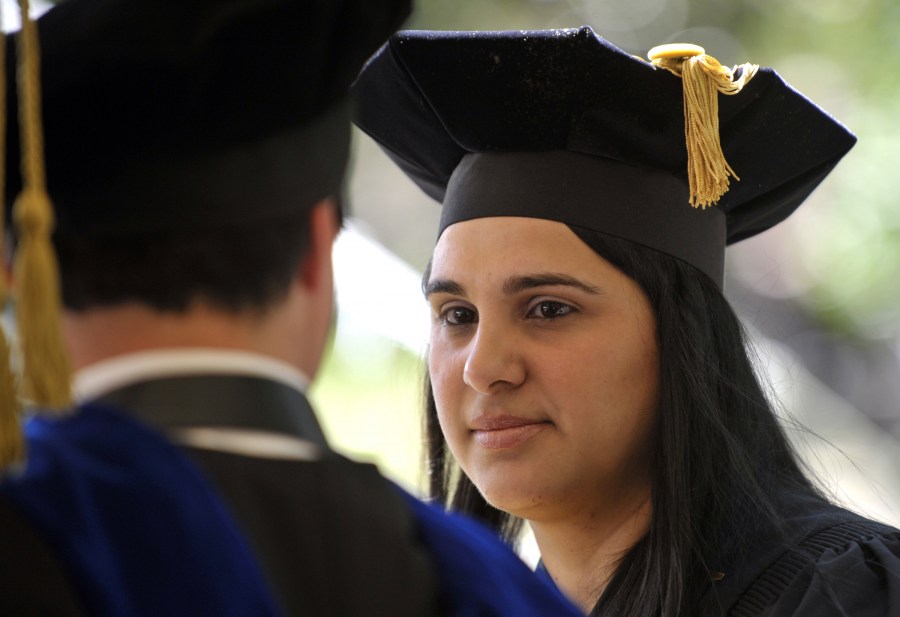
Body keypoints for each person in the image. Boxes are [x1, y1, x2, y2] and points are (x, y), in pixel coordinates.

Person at [0, 2, 584, 616]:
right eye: (456, 313)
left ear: (18, 268)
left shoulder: (30, 526)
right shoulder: (497, 591)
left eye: (548, 309)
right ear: (318, 246)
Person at [352, 27, 900, 617]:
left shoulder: (838, 596)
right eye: (456, 315)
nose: (485, 369)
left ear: (683, 336)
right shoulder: (473, 601)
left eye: (549, 309)